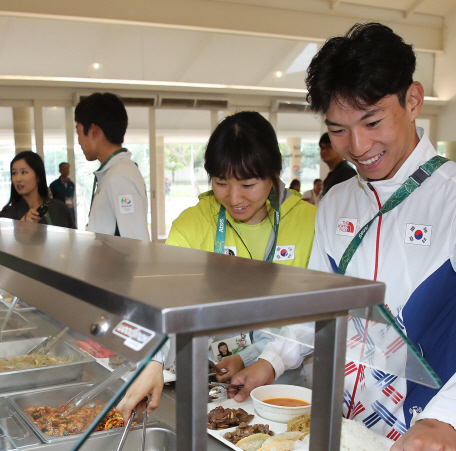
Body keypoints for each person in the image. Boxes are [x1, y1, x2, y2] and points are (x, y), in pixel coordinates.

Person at [226, 22, 456, 451]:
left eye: (372, 122)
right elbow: (318, 304)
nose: (356, 146)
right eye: (337, 129)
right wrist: (272, 361)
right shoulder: (337, 201)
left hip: (418, 438)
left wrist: (450, 421)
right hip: (332, 429)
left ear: (412, 99)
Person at [116, 111, 317, 419]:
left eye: (248, 184)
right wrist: (153, 361)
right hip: (213, 386)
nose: (234, 198)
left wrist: (265, 361)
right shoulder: (193, 224)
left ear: (274, 172)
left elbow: (318, 313)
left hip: (284, 390)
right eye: (221, 183)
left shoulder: (309, 223)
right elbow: (165, 301)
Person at [75, 92, 149, 240]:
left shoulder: (120, 177)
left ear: (94, 131)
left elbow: (135, 242)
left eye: (79, 132)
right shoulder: (114, 172)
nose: (78, 141)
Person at [0, 151, 75, 228]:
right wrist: (21, 227)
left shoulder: (60, 208)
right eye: (14, 173)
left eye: (23, 172)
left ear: (38, 175)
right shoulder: (7, 215)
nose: (18, 179)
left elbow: (73, 238)